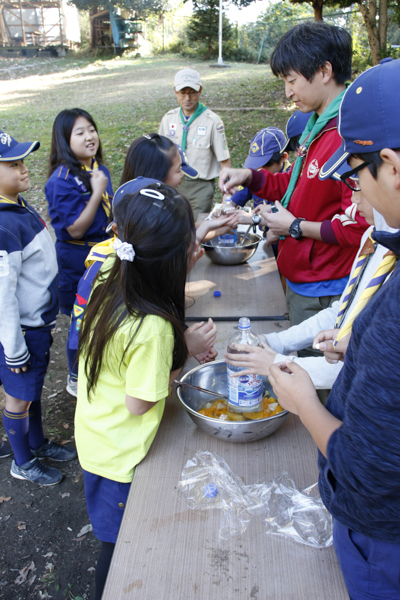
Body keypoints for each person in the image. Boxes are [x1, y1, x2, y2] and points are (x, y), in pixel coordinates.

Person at [268, 58, 400, 600]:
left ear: (390, 165)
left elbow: (365, 472)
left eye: (356, 176)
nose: (355, 196)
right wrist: (359, 344)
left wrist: (304, 402)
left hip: (381, 540)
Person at [75, 182, 217, 600]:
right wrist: (183, 353)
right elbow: (140, 402)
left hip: (97, 432)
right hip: (119, 455)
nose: (194, 250)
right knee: (119, 548)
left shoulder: (110, 269)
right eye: (188, 246)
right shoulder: (152, 327)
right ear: (169, 261)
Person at [219, 22, 369, 358]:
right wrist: (251, 177)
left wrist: (295, 227)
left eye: (291, 80)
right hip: (303, 276)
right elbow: (295, 185)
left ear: (324, 71)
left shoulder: (347, 134)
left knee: (318, 380)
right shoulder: (317, 125)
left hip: (326, 285)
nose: (287, 91)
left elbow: (359, 226)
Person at [225, 174, 397, 394]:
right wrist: (274, 342)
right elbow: (344, 310)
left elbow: (366, 367)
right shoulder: (374, 238)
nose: (353, 200)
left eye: (360, 188)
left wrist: (277, 362)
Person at [0, 131, 77, 486]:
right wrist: (14, 350)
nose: (23, 170)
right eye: (12, 165)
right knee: (19, 396)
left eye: (22, 161)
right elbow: (3, 296)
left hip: (37, 327)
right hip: (23, 334)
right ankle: (23, 461)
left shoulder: (18, 205)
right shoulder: (3, 225)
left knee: (31, 391)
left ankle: (36, 442)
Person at [45, 109, 114, 397]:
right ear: (64, 140)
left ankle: (102, 365)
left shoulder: (97, 168)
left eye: (91, 129)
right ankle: (75, 376)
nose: (90, 137)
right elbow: (74, 229)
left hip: (103, 252)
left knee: (104, 313)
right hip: (78, 260)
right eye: (80, 132)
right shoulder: (61, 180)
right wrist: (97, 192)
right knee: (81, 319)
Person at [119, 133, 239, 243]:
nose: (182, 175)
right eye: (178, 170)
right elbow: (183, 246)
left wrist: (212, 225)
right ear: (158, 174)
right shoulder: (150, 215)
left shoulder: (137, 201)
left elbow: (186, 229)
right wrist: (208, 227)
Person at [159, 68, 231, 219]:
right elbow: (159, 155)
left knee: (196, 231)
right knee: (172, 227)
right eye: (182, 92)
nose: (187, 97)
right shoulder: (168, 119)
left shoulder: (212, 121)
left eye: (192, 92)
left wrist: (227, 194)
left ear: (200, 91)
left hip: (200, 188)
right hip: (172, 184)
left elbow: (224, 162)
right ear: (175, 92)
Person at [230, 127, 289, 210]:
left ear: (283, 157)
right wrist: (228, 207)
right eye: (256, 164)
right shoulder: (255, 176)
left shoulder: (293, 179)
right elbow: (237, 198)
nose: (260, 170)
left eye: (266, 165)